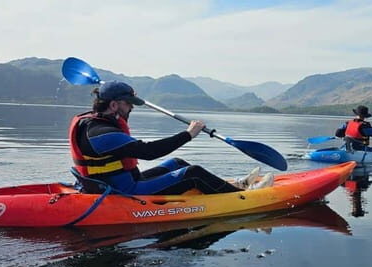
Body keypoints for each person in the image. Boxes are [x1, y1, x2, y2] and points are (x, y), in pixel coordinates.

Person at [68, 80, 273, 195]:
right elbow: (149, 152)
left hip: (125, 180)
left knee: (177, 163)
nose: (131, 107)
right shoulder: (101, 135)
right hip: (124, 190)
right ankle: (242, 196)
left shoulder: (96, 122)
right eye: (128, 103)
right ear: (114, 105)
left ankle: (236, 184)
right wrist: (188, 134)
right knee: (193, 173)